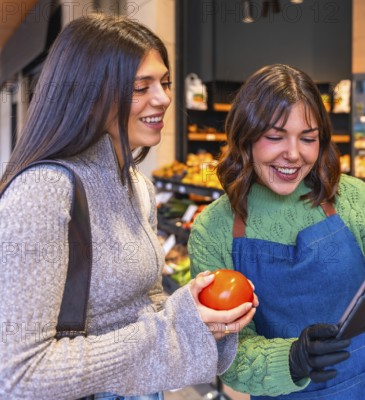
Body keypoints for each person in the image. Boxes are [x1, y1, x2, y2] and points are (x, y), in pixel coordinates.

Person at [0, 14, 257, 400]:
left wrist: (194, 313)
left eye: (165, 82)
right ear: (89, 92)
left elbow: (144, 306)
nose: (164, 98)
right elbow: (18, 374)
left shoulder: (138, 186)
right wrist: (170, 330)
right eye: (141, 87)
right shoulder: (44, 191)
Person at [188, 64, 365, 399]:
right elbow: (227, 355)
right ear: (244, 136)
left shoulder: (354, 200)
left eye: (308, 138)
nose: (293, 154)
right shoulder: (214, 229)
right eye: (275, 137)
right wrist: (290, 361)